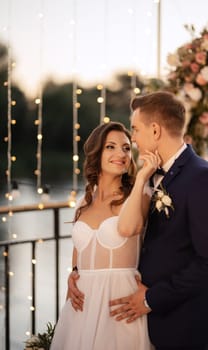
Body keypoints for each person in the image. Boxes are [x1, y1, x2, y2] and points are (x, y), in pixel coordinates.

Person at [68, 91, 208, 350]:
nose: (133, 139)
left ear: (155, 131)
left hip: (183, 322)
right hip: (143, 319)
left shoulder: (201, 177)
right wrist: (78, 273)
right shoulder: (150, 177)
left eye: (135, 130)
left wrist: (151, 298)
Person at [50, 121, 153, 350]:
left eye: (126, 148)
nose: (121, 154)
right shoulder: (83, 202)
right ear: (96, 153)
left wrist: (142, 178)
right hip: (81, 307)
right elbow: (78, 257)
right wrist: (74, 275)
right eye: (111, 147)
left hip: (120, 306)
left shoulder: (140, 195)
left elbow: (131, 229)